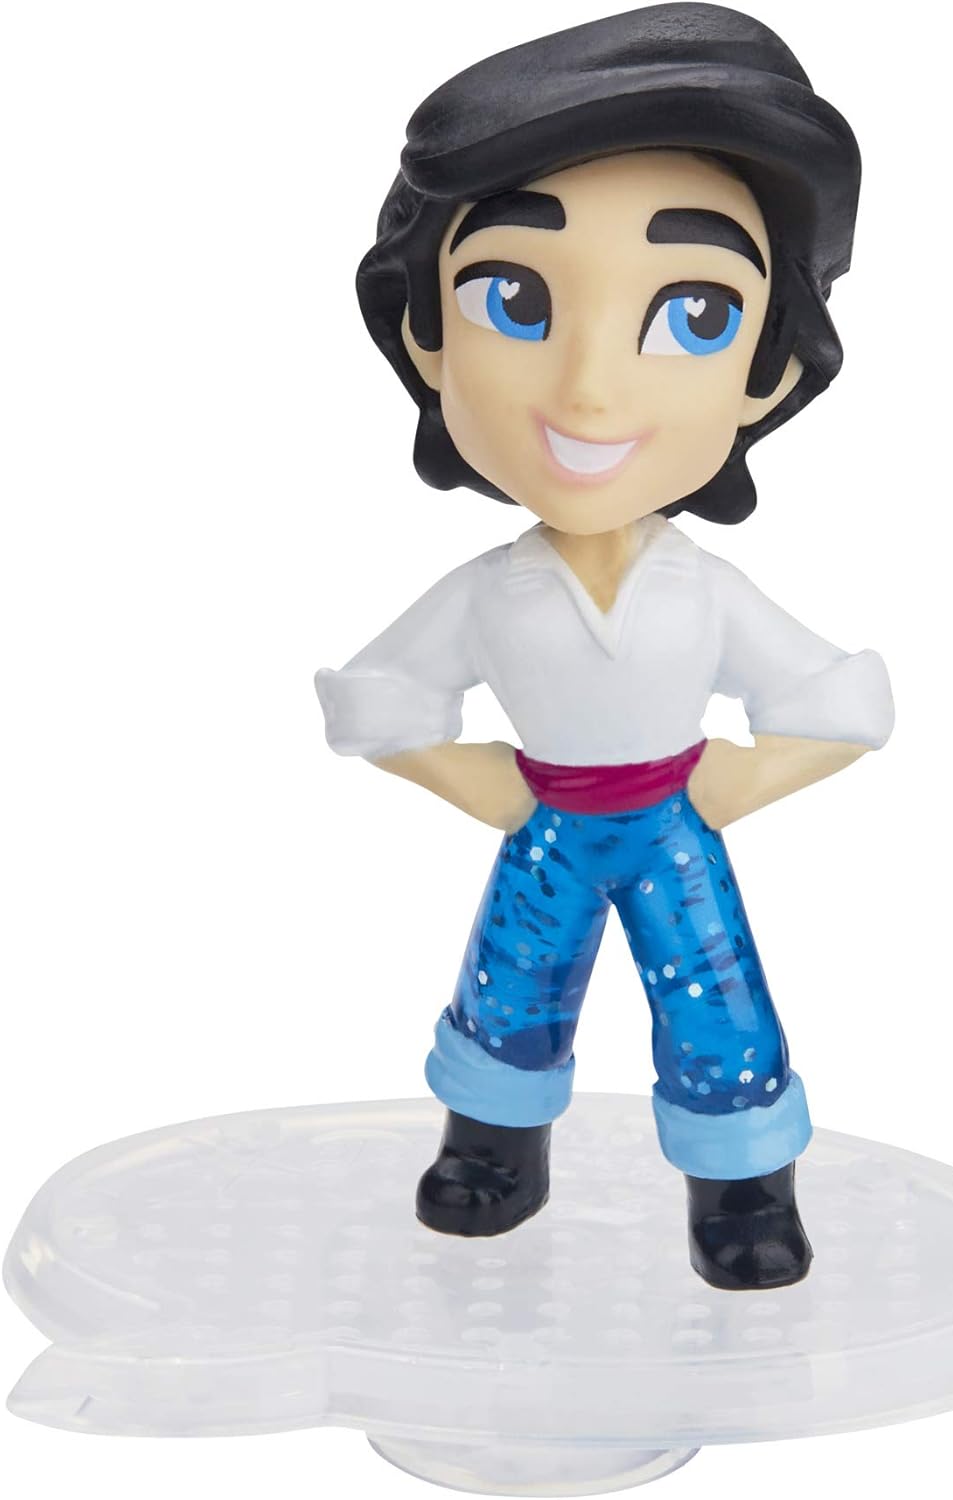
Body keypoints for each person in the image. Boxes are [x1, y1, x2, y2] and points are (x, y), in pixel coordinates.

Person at [315, 3, 894, 1290]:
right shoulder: (491, 593)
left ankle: (740, 1184)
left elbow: (833, 701)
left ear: (764, 374)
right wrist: (463, 776)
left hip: (672, 822)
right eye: (513, 299)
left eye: (693, 314)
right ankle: (492, 1150)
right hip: (551, 821)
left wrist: (744, 776)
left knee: (715, 997)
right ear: (425, 336)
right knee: (510, 983)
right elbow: (386, 692)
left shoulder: (704, 591)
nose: (588, 389)